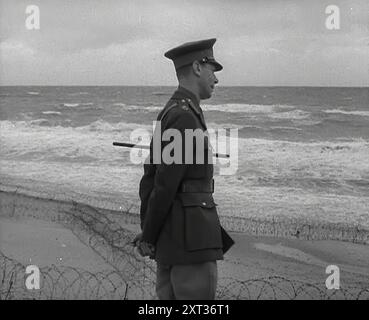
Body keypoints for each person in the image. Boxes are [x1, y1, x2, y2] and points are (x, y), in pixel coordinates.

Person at [133, 38, 234, 300]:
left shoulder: (175, 111)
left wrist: (149, 230)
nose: (216, 78)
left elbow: (152, 179)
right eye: (212, 68)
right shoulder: (185, 117)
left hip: (175, 239)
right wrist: (149, 236)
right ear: (197, 68)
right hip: (191, 243)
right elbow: (163, 184)